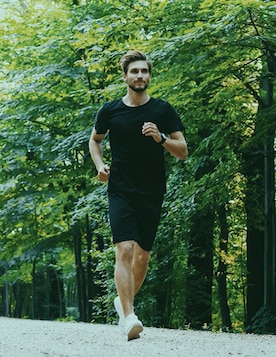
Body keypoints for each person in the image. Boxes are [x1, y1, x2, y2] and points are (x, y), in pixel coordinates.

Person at [89, 50, 188, 341]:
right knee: (125, 249)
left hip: (152, 189)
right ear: (125, 77)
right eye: (134, 71)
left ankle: (123, 302)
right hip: (120, 188)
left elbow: (182, 150)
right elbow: (94, 141)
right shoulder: (110, 110)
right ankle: (129, 316)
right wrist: (100, 165)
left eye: (144, 71)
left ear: (149, 76)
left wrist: (161, 138)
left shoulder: (162, 110)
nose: (140, 76)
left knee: (142, 257)